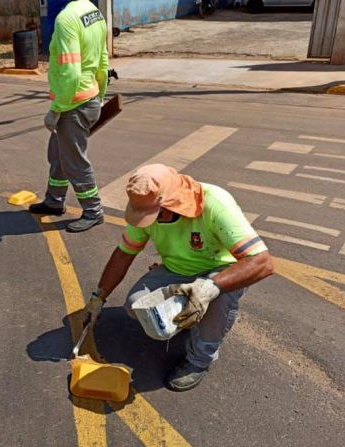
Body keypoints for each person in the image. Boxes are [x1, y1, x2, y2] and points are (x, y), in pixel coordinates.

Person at [84, 164, 274, 391]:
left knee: (220, 299)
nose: (151, 220)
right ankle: (188, 314)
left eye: (156, 213)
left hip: (220, 271)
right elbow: (124, 254)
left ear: (171, 201)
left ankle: (199, 360)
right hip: (175, 269)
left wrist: (209, 287)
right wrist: (99, 296)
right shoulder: (147, 206)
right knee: (136, 306)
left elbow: (262, 262)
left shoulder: (214, 203)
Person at [29, 0, 109, 233]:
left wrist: (57, 109)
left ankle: (94, 211)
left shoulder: (66, 20)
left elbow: (70, 73)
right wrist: (101, 94)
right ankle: (54, 200)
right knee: (58, 153)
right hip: (88, 98)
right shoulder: (94, 13)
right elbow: (103, 61)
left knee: (75, 161)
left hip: (73, 104)